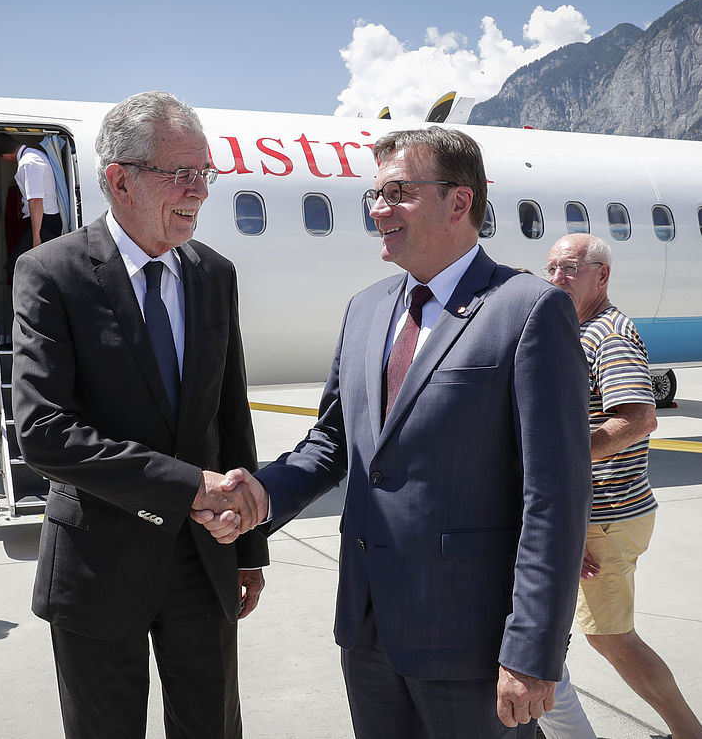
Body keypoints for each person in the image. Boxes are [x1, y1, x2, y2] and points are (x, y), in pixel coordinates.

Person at [198, 126, 592, 737]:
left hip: (473, 643)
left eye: (398, 192)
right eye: (374, 195)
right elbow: (334, 443)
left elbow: (555, 498)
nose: (378, 210)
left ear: (459, 201)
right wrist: (262, 494)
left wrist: (533, 650)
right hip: (369, 628)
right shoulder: (367, 308)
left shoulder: (528, 310)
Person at [10, 91, 268, 739]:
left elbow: (229, 415)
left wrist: (249, 547)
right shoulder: (51, 273)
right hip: (99, 564)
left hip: (202, 559)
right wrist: (188, 487)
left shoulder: (215, 274)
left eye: (204, 173)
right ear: (120, 180)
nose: (198, 191)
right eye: (180, 174)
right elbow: (44, 432)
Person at [539, 233, 702, 739]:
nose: (556, 279)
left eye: (568, 268)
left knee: (613, 639)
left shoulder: (608, 335)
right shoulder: (578, 328)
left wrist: (557, 463)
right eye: (550, 268)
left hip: (604, 515)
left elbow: (637, 420)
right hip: (590, 513)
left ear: (601, 274)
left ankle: (691, 734)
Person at [0, 132, 60, 258]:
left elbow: (36, 200)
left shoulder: (28, 163)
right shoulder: (36, 154)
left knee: (19, 263)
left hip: (43, 221)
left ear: (5, 156)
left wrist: (36, 237)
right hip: (45, 219)